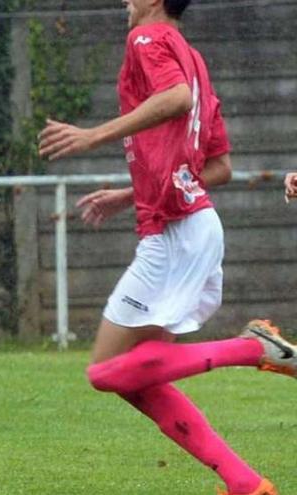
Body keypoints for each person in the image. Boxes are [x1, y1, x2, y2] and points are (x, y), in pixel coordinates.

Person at [38, 2, 290, 494]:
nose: (126, 4)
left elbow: (174, 99)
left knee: (106, 372)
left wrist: (93, 136)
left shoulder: (147, 39)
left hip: (175, 232)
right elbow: (218, 168)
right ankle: (244, 483)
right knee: (136, 379)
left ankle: (252, 347)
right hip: (187, 224)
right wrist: (130, 194)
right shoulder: (192, 58)